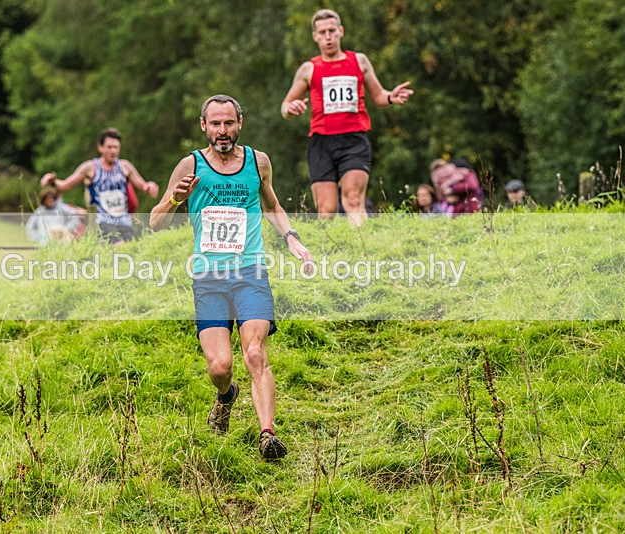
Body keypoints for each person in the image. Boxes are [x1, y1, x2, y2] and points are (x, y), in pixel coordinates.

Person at [150, 95, 314, 460]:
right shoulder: (190, 165)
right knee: (220, 366)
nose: (222, 131)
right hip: (209, 278)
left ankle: (267, 434)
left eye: (228, 123)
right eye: (215, 124)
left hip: (251, 272)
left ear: (240, 122)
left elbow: (271, 204)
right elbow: (155, 221)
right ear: (203, 126)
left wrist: (292, 240)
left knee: (255, 354)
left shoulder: (258, 162)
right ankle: (225, 396)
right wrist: (176, 199)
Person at [281, 8, 413, 225]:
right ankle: (329, 254)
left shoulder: (359, 61)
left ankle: (360, 252)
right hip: (321, 143)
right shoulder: (308, 69)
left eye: (332, 30)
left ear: (340, 31)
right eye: (322, 32)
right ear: (315, 36)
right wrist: (290, 108)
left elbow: (379, 95)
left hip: (354, 140)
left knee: (353, 200)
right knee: (327, 210)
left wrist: (391, 97)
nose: (328, 36)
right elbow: (285, 106)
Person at [40, 128, 159, 243]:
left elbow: (143, 186)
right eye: (109, 147)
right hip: (101, 222)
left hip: (123, 221)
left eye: (116, 147)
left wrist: (150, 186)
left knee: (134, 249)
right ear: (100, 148)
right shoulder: (90, 167)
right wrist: (52, 181)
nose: (113, 151)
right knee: (119, 248)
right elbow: (65, 185)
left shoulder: (125, 166)